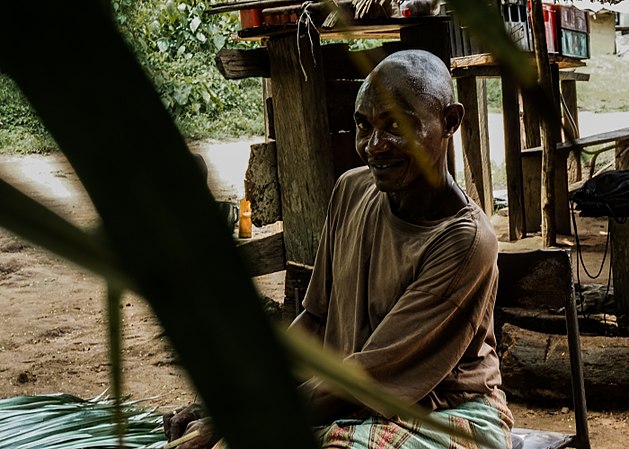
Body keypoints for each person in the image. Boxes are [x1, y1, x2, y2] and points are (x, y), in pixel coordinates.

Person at [163, 49, 514, 449]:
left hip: (449, 414)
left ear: (449, 121)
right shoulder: (352, 189)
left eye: (396, 126)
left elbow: (364, 378)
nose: (375, 145)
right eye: (364, 126)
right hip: (348, 403)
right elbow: (314, 321)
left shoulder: (465, 241)